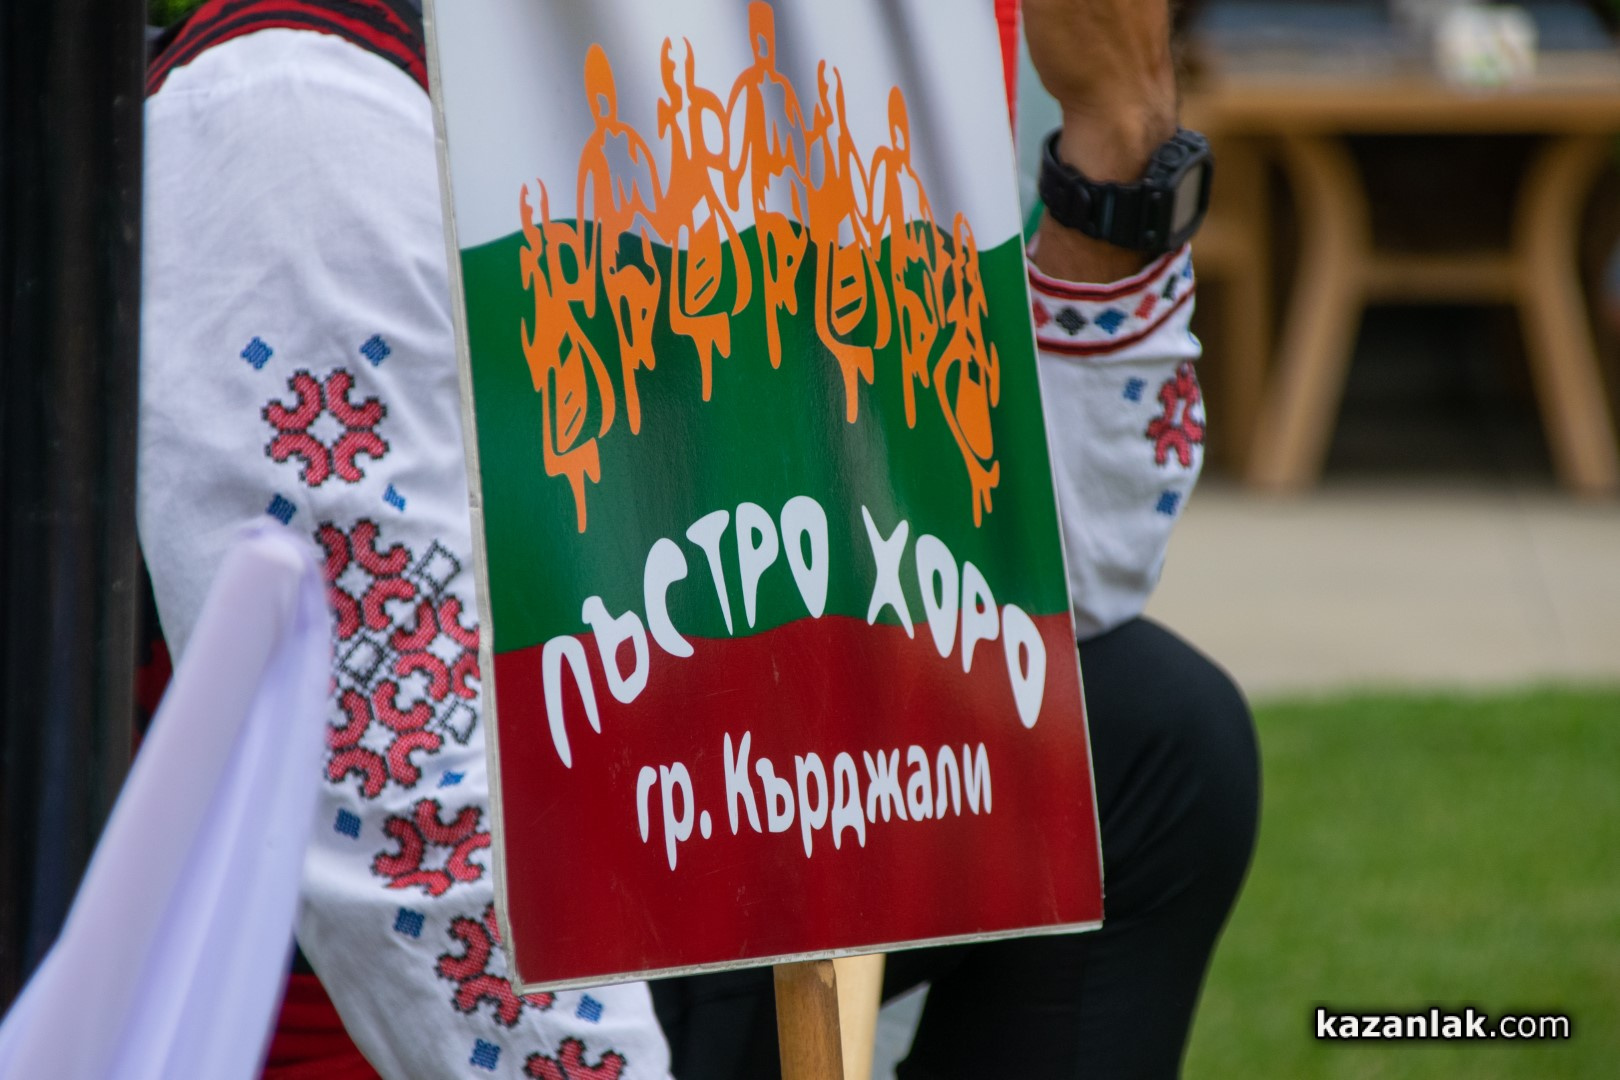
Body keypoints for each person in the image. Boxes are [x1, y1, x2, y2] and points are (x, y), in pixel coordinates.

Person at [138, 1, 1256, 1078]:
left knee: (1150, 738)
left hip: (680, 875)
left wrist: (1118, 142)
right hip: (420, 1011)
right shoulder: (300, 107)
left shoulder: (767, 54)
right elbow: (418, 851)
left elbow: (1056, 599)